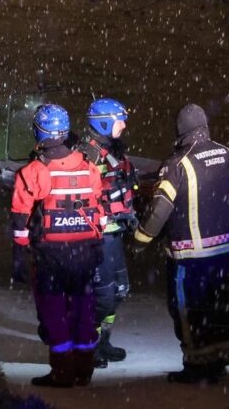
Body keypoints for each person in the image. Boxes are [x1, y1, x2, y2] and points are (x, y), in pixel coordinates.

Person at [133, 103, 229, 384]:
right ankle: (218, 362)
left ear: (180, 131)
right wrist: (220, 224)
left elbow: (160, 210)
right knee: (218, 305)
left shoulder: (176, 164)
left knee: (187, 309)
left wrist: (139, 240)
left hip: (189, 257)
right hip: (223, 253)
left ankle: (195, 366)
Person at [11, 104, 106, 388]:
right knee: (83, 310)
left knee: (54, 312)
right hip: (86, 253)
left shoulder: (33, 172)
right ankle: (84, 369)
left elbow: (19, 219)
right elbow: (99, 209)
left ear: (38, 132)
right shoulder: (89, 167)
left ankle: (62, 372)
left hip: (51, 256)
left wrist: (19, 255)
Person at [76, 97, 136, 368]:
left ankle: (103, 341)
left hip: (115, 233)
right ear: (103, 123)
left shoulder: (113, 151)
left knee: (120, 290)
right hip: (97, 237)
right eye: (119, 120)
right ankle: (88, 346)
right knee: (102, 296)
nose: (124, 125)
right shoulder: (86, 155)